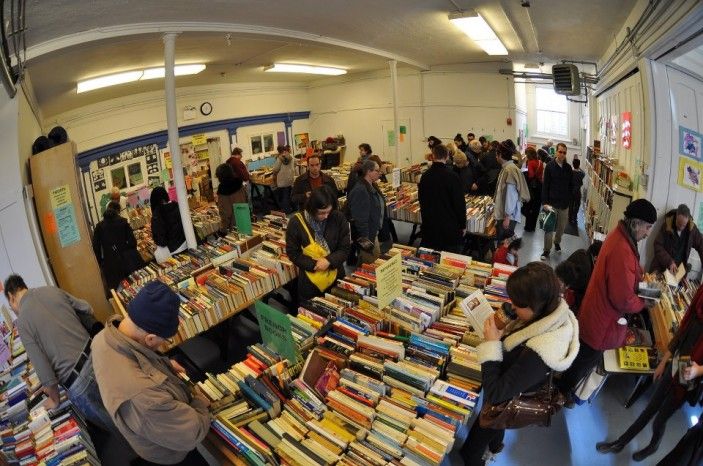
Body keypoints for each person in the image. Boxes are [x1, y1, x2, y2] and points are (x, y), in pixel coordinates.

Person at [460, 262, 579, 466]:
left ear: (536, 305)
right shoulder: (549, 311)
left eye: (518, 303)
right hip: (511, 384)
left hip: (506, 397)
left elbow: (497, 394)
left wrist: (492, 344)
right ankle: (494, 447)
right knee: (493, 427)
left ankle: (478, 459)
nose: (512, 306)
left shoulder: (539, 353)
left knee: (472, 448)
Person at [92, 281, 210, 466]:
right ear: (150, 338)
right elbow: (191, 433)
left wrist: (162, 364)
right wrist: (199, 404)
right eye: (165, 340)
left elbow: (136, 358)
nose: (163, 345)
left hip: (147, 430)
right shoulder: (145, 397)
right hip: (167, 455)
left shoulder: (103, 338)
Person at [558, 199, 657, 395]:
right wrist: (645, 302)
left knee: (581, 357)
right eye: (647, 227)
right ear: (636, 223)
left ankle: (563, 390)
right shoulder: (623, 249)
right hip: (602, 323)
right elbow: (623, 300)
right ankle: (561, 395)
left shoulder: (621, 236)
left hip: (597, 315)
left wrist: (642, 279)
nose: (647, 233)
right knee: (582, 362)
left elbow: (628, 272)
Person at [596, 283, 703, 462]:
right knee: (650, 408)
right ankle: (620, 442)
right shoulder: (700, 294)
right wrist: (663, 361)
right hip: (679, 360)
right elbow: (683, 330)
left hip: (691, 374)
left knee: (660, 419)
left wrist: (698, 370)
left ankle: (653, 445)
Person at [3, 275, 115, 432]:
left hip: (79, 382)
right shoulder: (51, 290)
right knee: (130, 410)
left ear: (11, 297)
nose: (14, 311)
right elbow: (87, 308)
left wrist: (54, 400)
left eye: (10, 307)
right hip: (98, 355)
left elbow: (44, 371)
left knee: (117, 426)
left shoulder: (23, 321)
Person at [285, 187, 351, 302]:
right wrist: (314, 264)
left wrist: (329, 260)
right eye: (321, 213)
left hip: (336, 277)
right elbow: (293, 253)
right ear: (312, 208)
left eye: (328, 212)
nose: (326, 216)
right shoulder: (295, 222)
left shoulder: (338, 217)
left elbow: (344, 248)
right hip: (310, 282)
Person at [418, 144, 466, 253]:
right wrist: (463, 225)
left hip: (430, 228)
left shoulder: (425, 176)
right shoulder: (453, 177)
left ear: (433, 156)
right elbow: (459, 204)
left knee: (430, 262)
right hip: (449, 229)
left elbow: (421, 200)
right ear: (448, 157)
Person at [92, 201, 144, 292]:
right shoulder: (123, 222)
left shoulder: (99, 227)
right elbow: (133, 242)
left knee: (119, 292)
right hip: (127, 263)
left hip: (111, 266)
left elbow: (96, 248)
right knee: (135, 287)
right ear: (118, 212)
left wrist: (101, 263)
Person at [347, 159, 385, 264]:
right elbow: (360, 220)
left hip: (372, 233)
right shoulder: (361, 190)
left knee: (373, 262)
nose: (380, 173)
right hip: (367, 237)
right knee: (370, 264)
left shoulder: (370, 185)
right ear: (368, 172)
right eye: (377, 171)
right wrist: (367, 243)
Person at [649, 204, 703, 275]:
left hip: (677, 274)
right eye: (679, 224)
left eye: (684, 225)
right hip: (660, 268)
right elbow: (657, 245)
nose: (681, 228)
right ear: (676, 216)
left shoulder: (692, 229)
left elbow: (701, 245)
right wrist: (669, 262)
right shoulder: (666, 226)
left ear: (688, 220)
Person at [541, 143, 573, 260]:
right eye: (560, 152)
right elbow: (545, 186)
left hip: (564, 204)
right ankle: (546, 250)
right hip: (551, 203)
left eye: (564, 152)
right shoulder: (549, 167)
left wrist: (569, 200)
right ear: (556, 152)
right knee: (549, 228)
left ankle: (557, 242)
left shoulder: (568, 168)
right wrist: (544, 202)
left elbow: (571, 186)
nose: (562, 154)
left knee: (561, 228)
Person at [493, 141, 530, 242]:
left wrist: (507, 217)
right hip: (507, 215)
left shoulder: (509, 170)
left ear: (500, 155)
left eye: (496, 154)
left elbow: (511, 196)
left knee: (504, 245)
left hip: (508, 217)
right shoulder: (509, 168)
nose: (496, 157)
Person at [554, 240, 602, 314]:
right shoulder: (587, 269)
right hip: (567, 295)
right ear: (596, 257)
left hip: (559, 281)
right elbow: (581, 291)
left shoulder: (581, 252)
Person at [150, 186, 186, 256]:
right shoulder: (177, 206)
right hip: (187, 242)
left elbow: (161, 241)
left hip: (174, 250)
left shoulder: (157, 215)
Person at [214, 163, 246, 235]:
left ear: (220, 176)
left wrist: (223, 230)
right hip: (245, 218)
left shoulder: (223, 190)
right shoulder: (239, 183)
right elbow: (246, 200)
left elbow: (225, 213)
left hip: (234, 226)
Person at [523, 146, 545, 232]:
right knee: (536, 208)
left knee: (529, 207)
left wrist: (526, 172)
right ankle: (533, 227)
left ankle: (528, 227)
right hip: (540, 186)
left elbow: (531, 175)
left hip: (532, 187)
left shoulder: (530, 163)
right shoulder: (540, 162)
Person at [272, 145, 295, 213]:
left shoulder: (279, 158)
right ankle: (294, 207)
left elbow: (275, 169)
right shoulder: (291, 156)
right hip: (290, 178)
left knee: (284, 196)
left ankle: (286, 210)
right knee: (290, 194)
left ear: (279, 151)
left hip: (282, 179)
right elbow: (295, 164)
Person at [569, 158, 585, 225]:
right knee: (577, 205)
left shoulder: (570, 173)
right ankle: (574, 218)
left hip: (571, 191)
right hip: (577, 192)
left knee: (571, 205)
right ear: (579, 165)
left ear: (572, 164)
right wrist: (579, 167)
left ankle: (570, 218)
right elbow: (584, 173)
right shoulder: (581, 174)